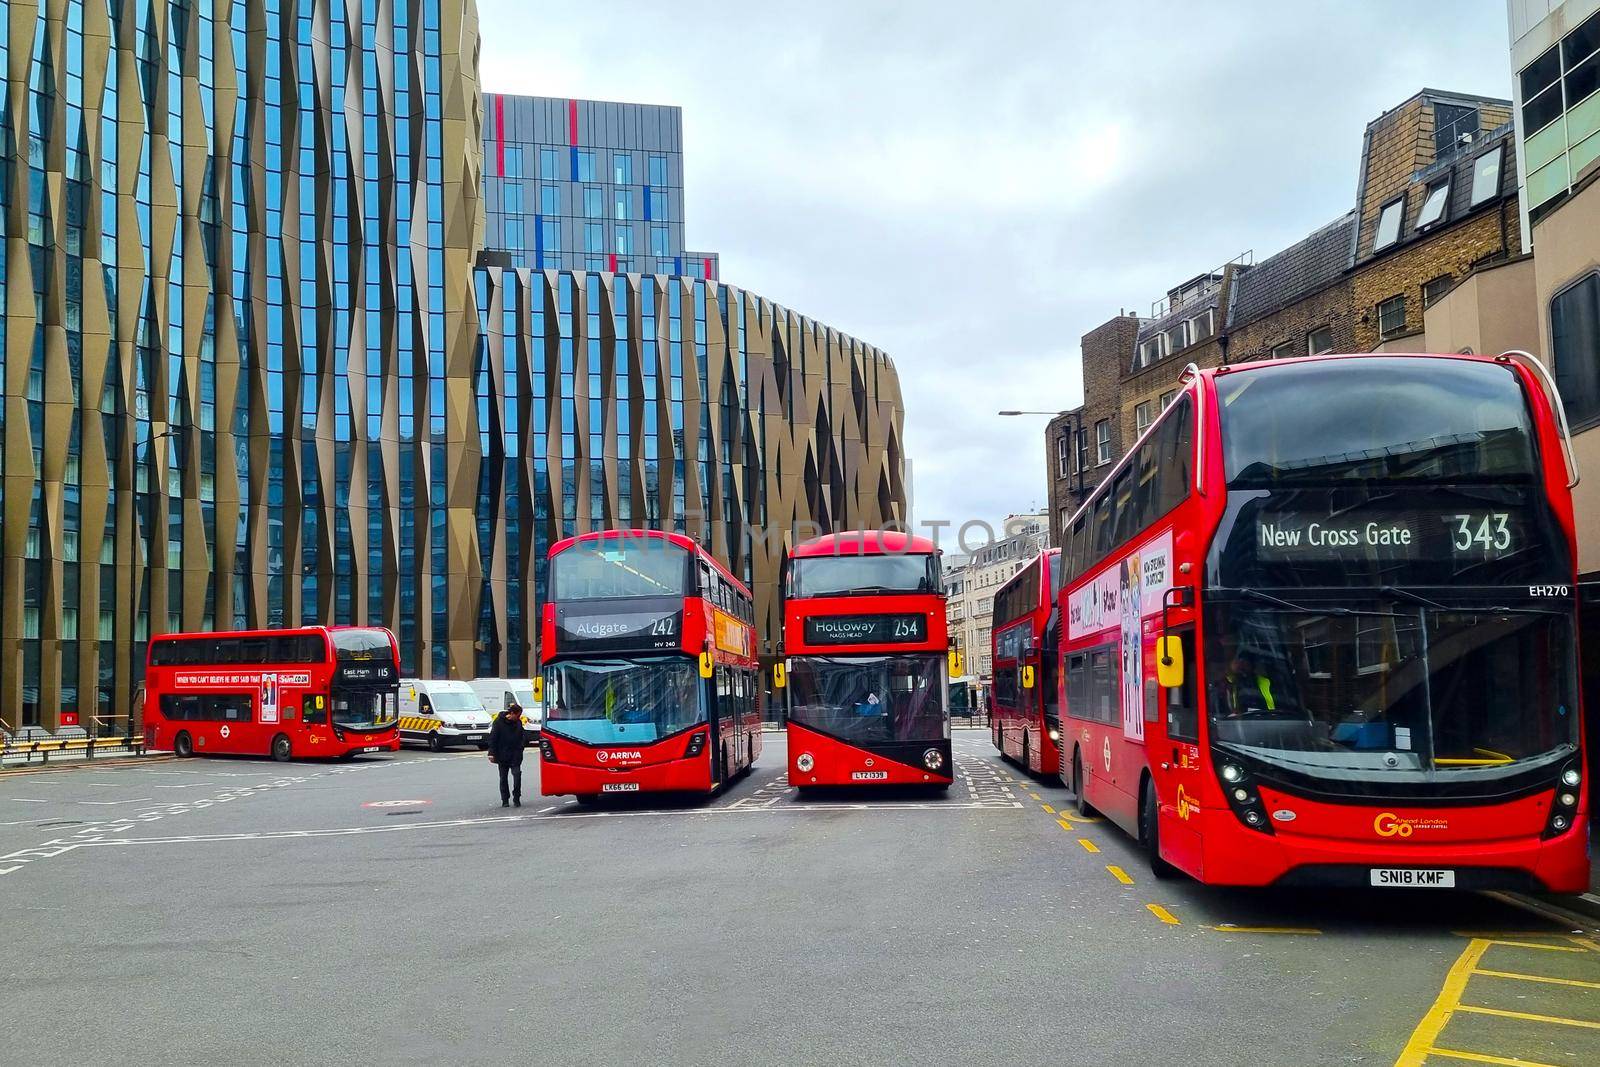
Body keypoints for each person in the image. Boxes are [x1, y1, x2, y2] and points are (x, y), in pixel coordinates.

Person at [486, 701, 526, 807]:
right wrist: (491, 753)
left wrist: (521, 747)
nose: (519, 717)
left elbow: (522, 736)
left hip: (515, 754)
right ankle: (505, 800)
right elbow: (493, 738)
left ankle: (516, 797)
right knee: (503, 778)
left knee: (517, 775)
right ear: (512, 713)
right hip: (502, 754)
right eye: (517, 715)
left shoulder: (518, 722)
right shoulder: (498, 722)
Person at [1223, 651, 1277, 716]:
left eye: (1246, 664)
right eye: (1240, 663)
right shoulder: (1228, 682)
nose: (1242, 667)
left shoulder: (1265, 682)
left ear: (1252, 666)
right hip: (1237, 720)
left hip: (1265, 718)